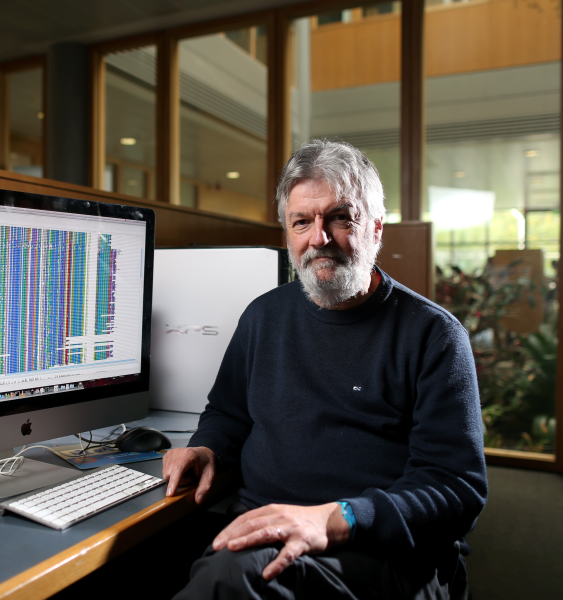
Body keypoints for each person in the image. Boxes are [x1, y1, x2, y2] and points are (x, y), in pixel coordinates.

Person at [162, 139, 488, 600]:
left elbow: (456, 490)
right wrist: (207, 447)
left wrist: (337, 518)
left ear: (376, 228)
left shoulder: (433, 335)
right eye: (302, 222)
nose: (320, 238)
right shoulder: (262, 317)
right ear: (288, 234)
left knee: (232, 581)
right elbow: (228, 412)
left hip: (381, 549)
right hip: (265, 527)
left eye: (340, 217)